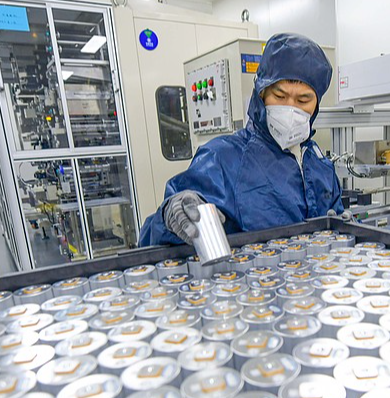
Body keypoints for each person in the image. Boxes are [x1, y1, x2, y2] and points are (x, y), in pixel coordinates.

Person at [139, 33, 345, 246]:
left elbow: (336, 223)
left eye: (303, 100)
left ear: (316, 105)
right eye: (280, 96)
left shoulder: (319, 163)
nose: (290, 108)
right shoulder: (222, 158)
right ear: (261, 93)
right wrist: (170, 216)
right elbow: (153, 242)